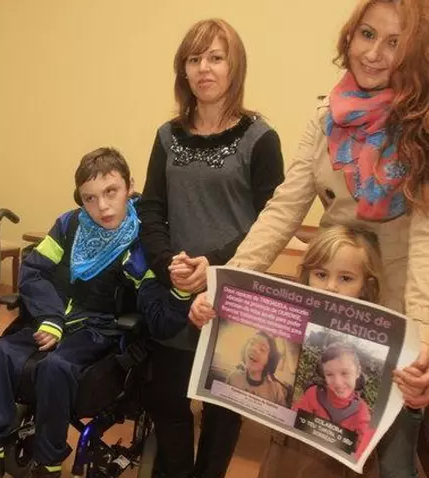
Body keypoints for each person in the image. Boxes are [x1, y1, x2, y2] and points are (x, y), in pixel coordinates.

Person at [190, 2, 429, 475]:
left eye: (395, 43)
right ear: (350, 35)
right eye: (367, 34)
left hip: (395, 307)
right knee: (305, 444)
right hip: (330, 293)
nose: (373, 53)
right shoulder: (327, 114)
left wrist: (427, 336)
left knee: (391, 458)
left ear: (421, 54)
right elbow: (284, 208)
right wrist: (228, 283)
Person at [0, 148, 192, 478]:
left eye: (111, 192)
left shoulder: (141, 243)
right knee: (0, 352)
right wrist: (51, 317)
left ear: (129, 186)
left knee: (56, 367)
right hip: (53, 319)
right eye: (90, 198)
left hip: (99, 330)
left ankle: (48, 463)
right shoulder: (69, 225)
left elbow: (160, 316)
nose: (102, 206)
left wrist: (180, 292)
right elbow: (34, 271)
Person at [137, 18, 285, 477]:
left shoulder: (261, 138)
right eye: (194, 59)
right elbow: (151, 209)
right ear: (183, 70)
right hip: (176, 289)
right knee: (169, 400)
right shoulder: (167, 136)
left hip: (234, 291)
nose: (204, 68)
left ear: (234, 67)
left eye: (216, 58)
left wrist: (216, 266)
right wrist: (168, 264)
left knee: (222, 408)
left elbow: (272, 222)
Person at [195, 225, 385, 476]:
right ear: (307, 274)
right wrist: (207, 309)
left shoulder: (376, 346)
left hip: (339, 461)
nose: (330, 287)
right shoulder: (288, 323)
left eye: (346, 278)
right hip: (288, 449)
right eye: (321, 274)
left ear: (366, 285)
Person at [292, 342, 374, 459]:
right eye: (330, 374)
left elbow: (363, 451)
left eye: (345, 373)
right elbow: (294, 419)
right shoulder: (313, 394)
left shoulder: (362, 411)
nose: (338, 383)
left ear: (357, 372)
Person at [226, 331, 288, 405]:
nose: (254, 349)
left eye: (262, 349)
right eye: (252, 343)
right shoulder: (233, 377)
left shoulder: (275, 390)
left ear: (269, 360)